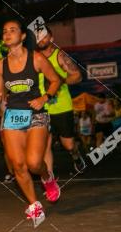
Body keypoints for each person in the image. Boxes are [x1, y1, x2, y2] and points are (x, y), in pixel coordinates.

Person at [0, 19, 61, 223]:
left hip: (36, 114)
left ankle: (47, 177)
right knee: (18, 165)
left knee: (33, 163)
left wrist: (45, 98)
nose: (7, 33)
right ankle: (34, 204)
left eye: (12, 30)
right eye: (4, 31)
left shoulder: (37, 58)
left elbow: (56, 80)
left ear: (22, 36)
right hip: (13, 115)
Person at [35, 26, 85, 174]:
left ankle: (75, 155)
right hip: (42, 108)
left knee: (68, 144)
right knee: (44, 145)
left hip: (62, 107)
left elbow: (77, 76)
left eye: (44, 36)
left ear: (51, 39)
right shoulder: (34, 58)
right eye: (38, 37)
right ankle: (49, 179)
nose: (41, 40)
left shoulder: (60, 56)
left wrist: (60, 81)